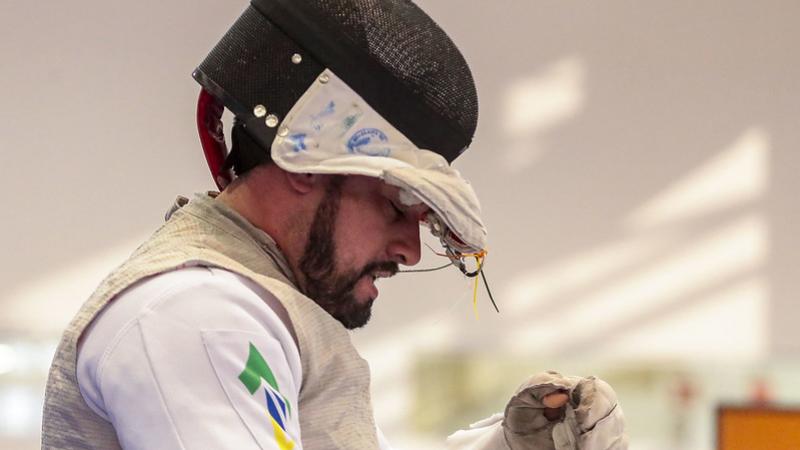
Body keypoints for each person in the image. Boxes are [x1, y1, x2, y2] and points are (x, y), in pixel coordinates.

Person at [42, 0, 627, 449]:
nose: (408, 250)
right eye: (396, 209)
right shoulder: (200, 315)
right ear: (307, 168)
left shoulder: (251, 309)